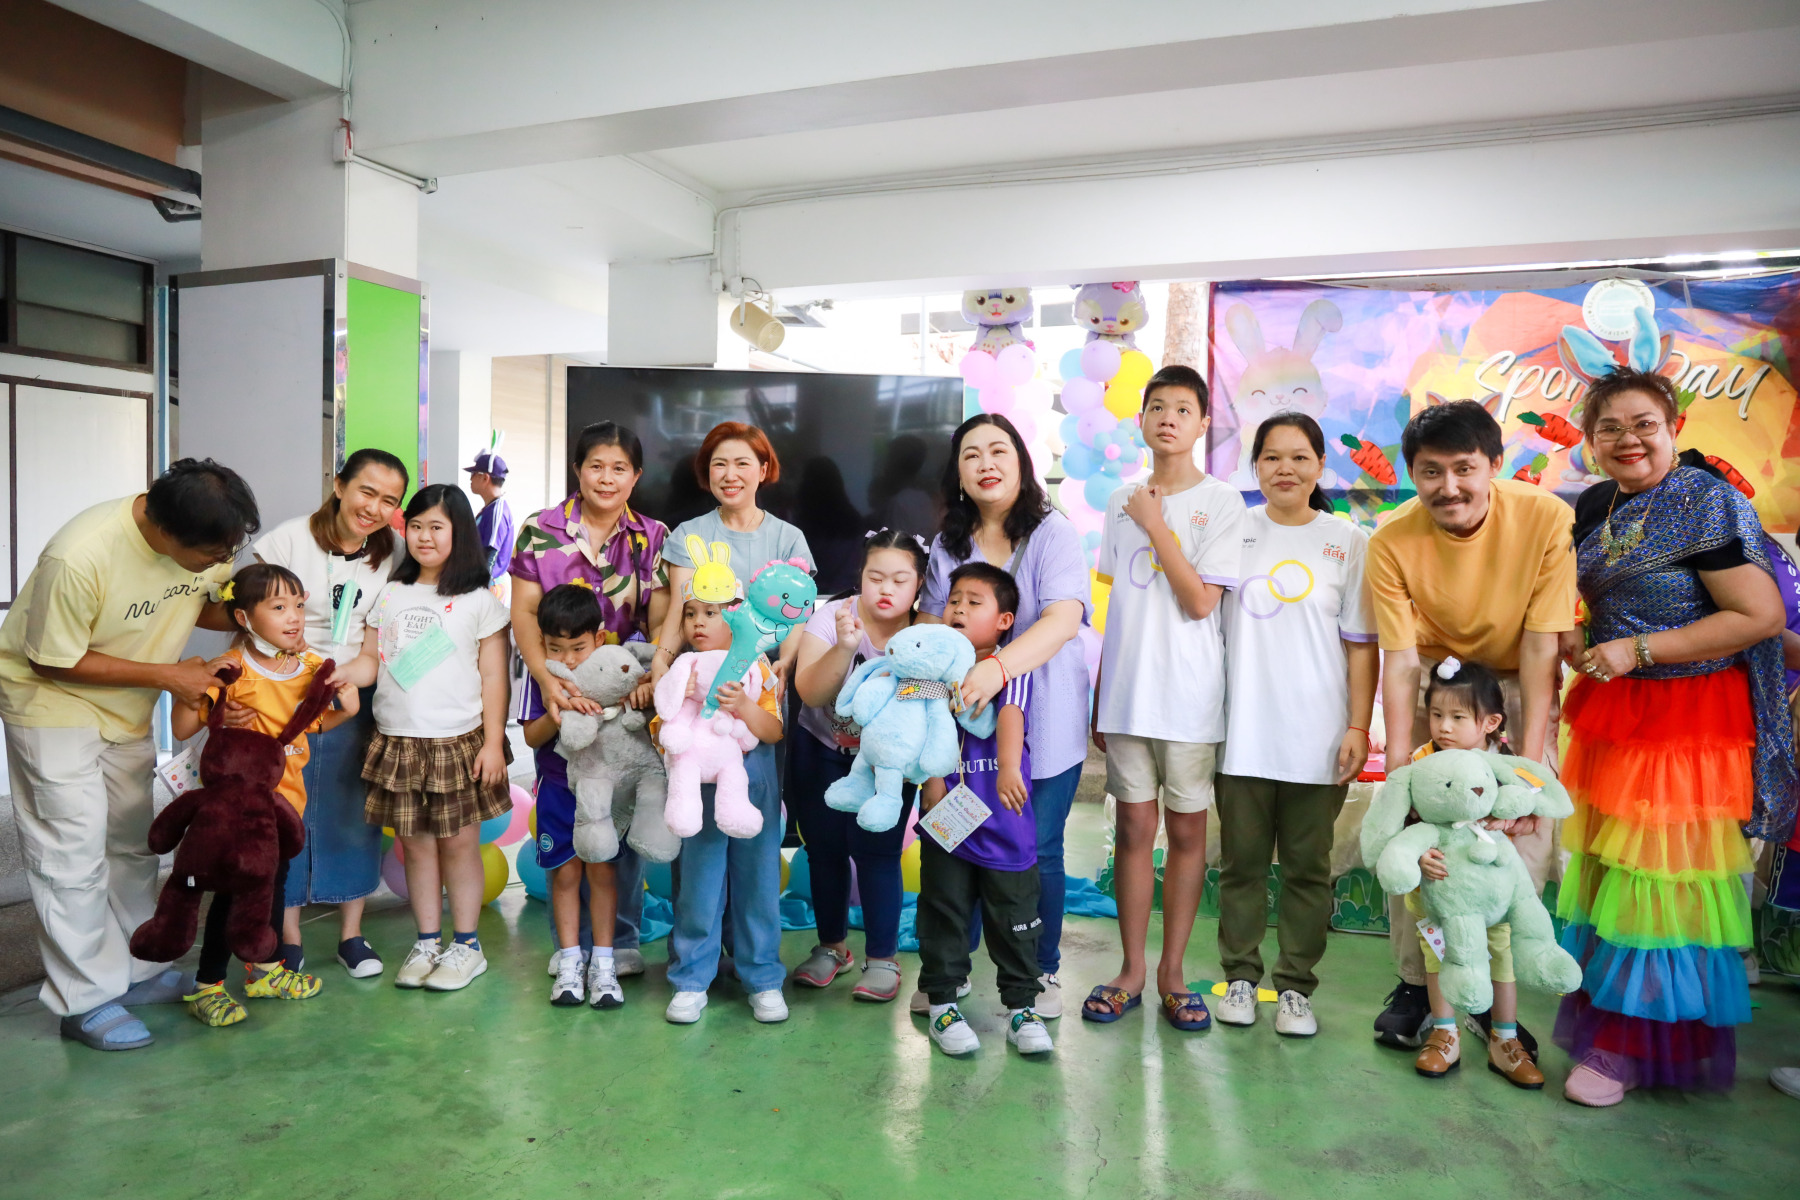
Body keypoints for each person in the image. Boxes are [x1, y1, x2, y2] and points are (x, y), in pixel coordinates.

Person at [1555, 368, 1793, 1106]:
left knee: (1660, 880)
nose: (1627, 440)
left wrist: (1639, 649)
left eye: (1644, 425)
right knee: (1611, 874)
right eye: (1610, 428)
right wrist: (1580, 634)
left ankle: (1631, 1044)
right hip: (1616, 712)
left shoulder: (1704, 500)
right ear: (1591, 440)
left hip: (1687, 719)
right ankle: (1610, 1017)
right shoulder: (1595, 503)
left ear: (1673, 429)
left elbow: (1757, 616)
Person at [0, 457, 257, 1051]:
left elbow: (199, 602)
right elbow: (53, 659)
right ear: (164, 530)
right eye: (212, 554)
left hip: (127, 706)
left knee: (133, 843)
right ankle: (84, 997)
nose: (221, 561)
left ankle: (139, 967)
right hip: (51, 704)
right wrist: (170, 676)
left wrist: (271, 607)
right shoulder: (80, 555)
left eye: (229, 550)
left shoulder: (208, 539)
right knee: (71, 852)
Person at [1365, 400, 1577, 1052]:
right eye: (1431, 472)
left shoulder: (1546, 517)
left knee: (1520, 835)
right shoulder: (1389, 540)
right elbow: (1401, 662)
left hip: (1514, 680)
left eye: (1464, 468)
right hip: (1439, 684)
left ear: (1495, 465)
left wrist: (1527, 774)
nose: (1449, 486)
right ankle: (1415, 982)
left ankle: (1492, 989)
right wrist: (1400, 776)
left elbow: (1542, 648)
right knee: (1424, 838)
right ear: (1413, 474)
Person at [1083, 365, 1246, 1031]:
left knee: (1185, 832)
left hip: (1189, 697)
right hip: (1127, 695)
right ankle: (1130, 969)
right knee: (1130, 829)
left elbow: (1201, 600)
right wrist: (1102, 693)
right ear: (1142, 419)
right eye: (1157, 407)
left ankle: (1172, 974)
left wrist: (1155, 524)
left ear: (1203, 423)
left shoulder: (1223, 502)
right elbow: (1119, 606)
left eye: (1183, 409)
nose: (1168, 418)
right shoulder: (1121, 500)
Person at [919, 413, 1089, 1019]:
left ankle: (1039, 970)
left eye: (999, 451)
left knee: (1037, 848)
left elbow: (1063, 619)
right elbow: (932, 627)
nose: (986, 463)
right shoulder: (947, 545)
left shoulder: (1052, 534)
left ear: (1021, 462)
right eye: (971, 455)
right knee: (953, 846)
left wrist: (997, 668)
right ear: (959, 473)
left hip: (1046, 718)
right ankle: (951, 971)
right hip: (960, 734)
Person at [1214, 413, 1378, 1038]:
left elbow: (1362, 645)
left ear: (1319, 466)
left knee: (1309, 869)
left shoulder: (1347, 541)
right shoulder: (1233, 530)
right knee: (1242, 865)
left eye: (1300, 457)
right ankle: (1239, 978)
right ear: (1255, 466)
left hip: (1318, 737)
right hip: (1242, 733)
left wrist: (1357, 726)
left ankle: (1294, 989)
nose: (1286, 468)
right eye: (1273, 457)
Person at [511, 422, 670, 980]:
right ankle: (569, 948)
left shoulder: (652, 536)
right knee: (568, 804)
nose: (607, 478)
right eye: (596, 466)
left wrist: (651, 676)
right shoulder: (540, 529)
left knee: (618, 813)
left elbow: (659, 620)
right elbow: (524, 612)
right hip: (557, 686)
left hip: (624, 699)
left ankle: (617, 942)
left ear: (636, 476)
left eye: (619, 468)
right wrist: (545, 677)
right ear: (578, 469)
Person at [171, 564, 361, 1027]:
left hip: (286, 805)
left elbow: (313, 726)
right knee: (232, 894)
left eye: (298, 605)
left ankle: (266, 970)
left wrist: (348, 708)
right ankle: (207, 986)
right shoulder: (231, 670)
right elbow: (181, 728)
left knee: (273, 888)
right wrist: (204, 694)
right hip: (235, 813)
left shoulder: (310, 667)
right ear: (243, 617)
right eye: (278, 607)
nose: (294, 616)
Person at [350, 485, 513, 993]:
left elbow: (494, 678)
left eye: (436, 527)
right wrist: (332, 674)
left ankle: (467, 946)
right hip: (398, 741)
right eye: (416, 526)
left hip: (457, 742)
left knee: (459, 848)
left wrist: (492, 743)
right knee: (415, 849)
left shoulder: (480, 601)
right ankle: (426, 943)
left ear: (459, 533)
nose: (424, 536)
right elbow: (369, 661)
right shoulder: (391, 593)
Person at [252, 447, 408, 978]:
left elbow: (375, 644)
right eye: (367, 491)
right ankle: (288, 933)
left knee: (350, 813)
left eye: (389, 501)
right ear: (339, 485)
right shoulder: (286, 541)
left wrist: (346, 679)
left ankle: (352, 934)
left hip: (351, 693)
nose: (374, 508)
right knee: (284, 812)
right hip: (282, 694)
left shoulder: (393, 554)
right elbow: (250, 617)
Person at [915, 563, 1052, 1057]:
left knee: (1016, 918)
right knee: (943, 912)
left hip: (1005, 824)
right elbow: (925, 724)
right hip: (947, 821)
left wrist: (1009, 767)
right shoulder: (931, 669)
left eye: (974, 603)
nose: (959, 609)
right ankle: (942, 1004)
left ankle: (1022, 1009)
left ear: (1003, 621)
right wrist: (932, 782)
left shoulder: (1008, 667)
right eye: (954, 600)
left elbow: (1011, 712)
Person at [789, 529, 929, 1003]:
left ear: (919, 584)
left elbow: (930, 703)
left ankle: (883, 959)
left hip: (886, 765)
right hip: (820, 747)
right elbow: (810, 693)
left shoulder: (923, 631)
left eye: (900, 580)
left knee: (878, 853)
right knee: (824, 850)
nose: (886, 589)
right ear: (860, 577)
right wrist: (846, 647)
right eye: (875, 577)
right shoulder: (833, 616)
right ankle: (832, 948)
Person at [1398, 658, 1544, 1089]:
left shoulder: (1505, 763)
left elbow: (1531, 810)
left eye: (1458, 717)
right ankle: (1444, 1034)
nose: (1444, 727)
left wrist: (1509, 821)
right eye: (1436, 714)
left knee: (1501, 955)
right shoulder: (1421, 761)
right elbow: (1403, 822)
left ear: (1490, 722)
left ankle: (1505, 1040)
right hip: (1439, 887)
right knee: (1439, 955)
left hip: (1492, 891)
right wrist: (1419, 855)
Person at [663, 583, 788, 1025]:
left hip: (753, 790)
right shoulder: (682, 670)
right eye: (690, 613)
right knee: (698, 887)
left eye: (711, 612)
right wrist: (679, 693)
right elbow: (665, 728)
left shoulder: (759, 668)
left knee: (758, 885)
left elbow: (773, 731)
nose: (698, 622)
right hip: (699, 793)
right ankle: (691, 979)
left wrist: (744, 706)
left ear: (737, 617)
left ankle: (763, 977)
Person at [650, 422, 813, 695]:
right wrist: (660, 661)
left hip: (762, 679)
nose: (730, 475)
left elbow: (796, 614)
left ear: (762, 471)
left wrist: (785, 662)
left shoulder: (789, 538)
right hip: (700, 676)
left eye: (742, 464)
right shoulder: (689, 535)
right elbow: (680, 608)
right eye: (719, 464)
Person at [522, 584, 626, 1010]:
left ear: (598, 639)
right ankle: (569, 962)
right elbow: (531, 736)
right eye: (555, 648)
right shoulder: (542, 679)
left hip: (602, 791)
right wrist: (559, 708)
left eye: (578, 648)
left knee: (602, 874)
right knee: (564, 876)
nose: (566, 659)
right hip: (557, 790)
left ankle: (604, 964)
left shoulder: (613, 671)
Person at [468, 447, 516, 598]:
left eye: (473, 474)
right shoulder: (491, 508)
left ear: (485, 478)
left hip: (490, 584)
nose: (470, 479)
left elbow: (491, 553)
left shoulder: (497, 511)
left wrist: (481, 588)